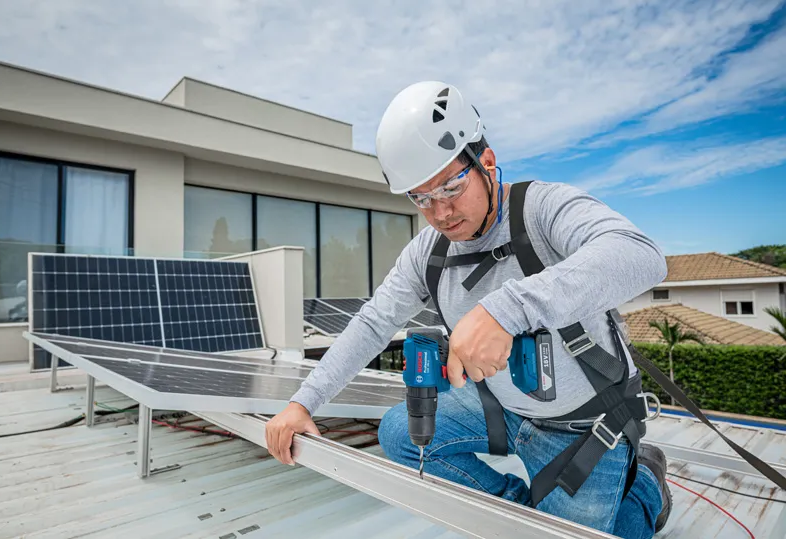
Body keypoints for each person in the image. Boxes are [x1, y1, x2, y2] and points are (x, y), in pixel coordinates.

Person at [265, 81, 672, 538]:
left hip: (584, 426)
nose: (440, 212)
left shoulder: (542, 209)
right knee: (401, 433)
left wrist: (507, 309)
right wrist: (303, 402)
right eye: (421, 198)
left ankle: (645, 487)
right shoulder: (428, 252)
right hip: (504, 409)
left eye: (451, 187)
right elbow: (373, 322)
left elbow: (641, 255)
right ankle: (525, 512)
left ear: (487, 163)